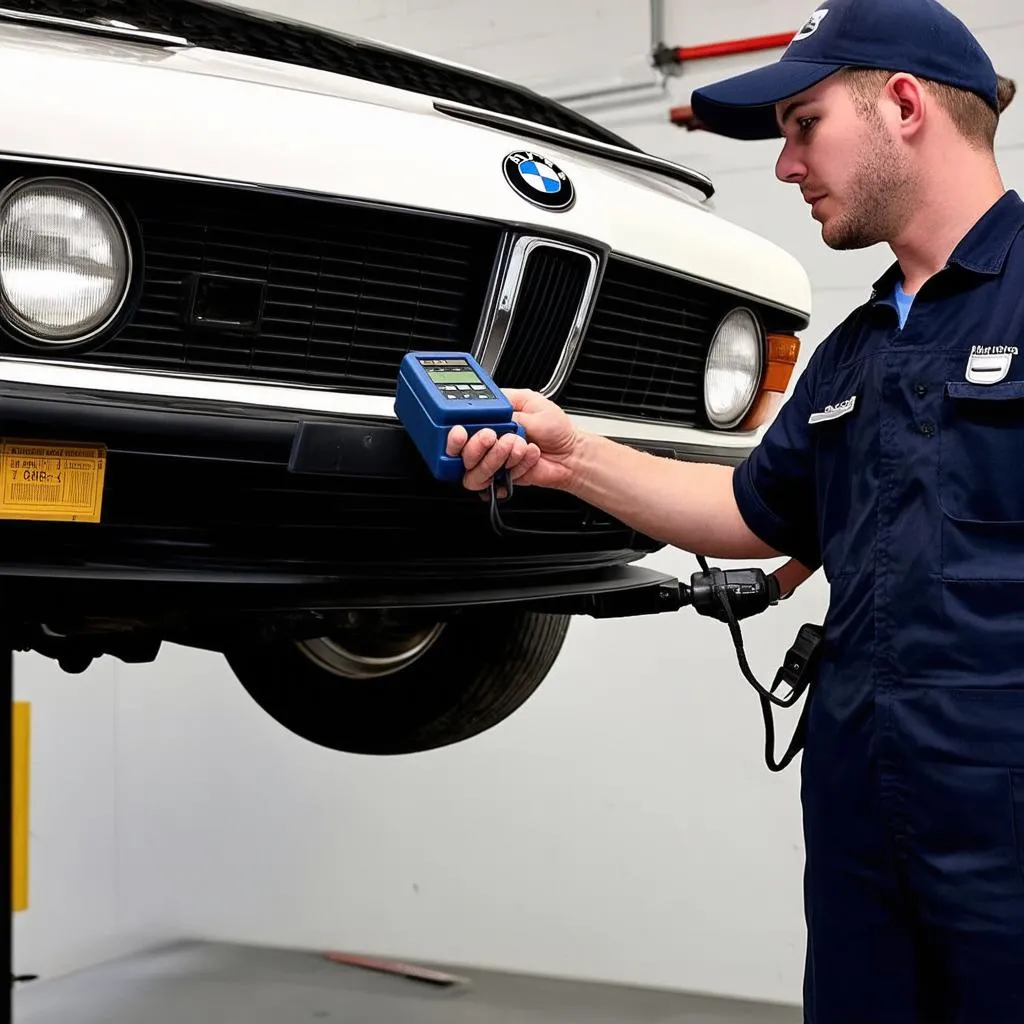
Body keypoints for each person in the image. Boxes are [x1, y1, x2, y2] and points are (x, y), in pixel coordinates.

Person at [446, 0, 1024, 1020]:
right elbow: (750, 509)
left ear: (901, 105)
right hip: (861, 788)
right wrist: (571, 454)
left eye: (804, 125)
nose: (789, 164)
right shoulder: (855, 349)